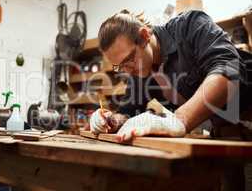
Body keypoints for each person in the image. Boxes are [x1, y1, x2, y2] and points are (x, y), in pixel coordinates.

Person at [89, 9, 252, 142]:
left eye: (129, 59)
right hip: (225, 132)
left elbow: (229, 69)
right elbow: (128, 111)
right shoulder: (139, 69)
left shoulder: (189, 25)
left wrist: (180, 119)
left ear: (144, 36)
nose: (127, 70)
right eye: (120, 66)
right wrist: (110, 120)